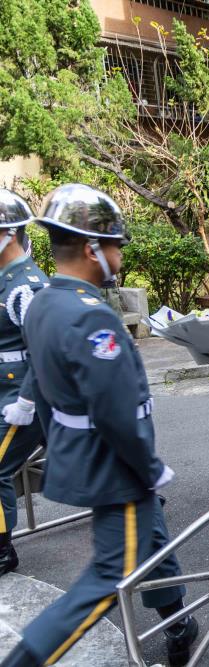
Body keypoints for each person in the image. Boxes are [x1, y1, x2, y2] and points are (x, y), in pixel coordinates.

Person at [3, 184, 198, 667]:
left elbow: (44, 387)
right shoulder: (93, 320)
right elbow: (117, 416)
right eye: (114, 246)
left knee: (152, 539)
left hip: (83, 460)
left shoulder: (45, 301)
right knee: (109, 579)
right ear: (91, 249)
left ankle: (178, 623)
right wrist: (149, 469)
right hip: (117, 470)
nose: (118, 256)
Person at [0, 190, 48, 579]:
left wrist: (27, 401)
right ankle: (131, 494)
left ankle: (2, 549)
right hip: (7, 391)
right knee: (85, 455)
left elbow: (44, 349)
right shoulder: (6, 280)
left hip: (23, 395)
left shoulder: (24, 285)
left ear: (9, 234)